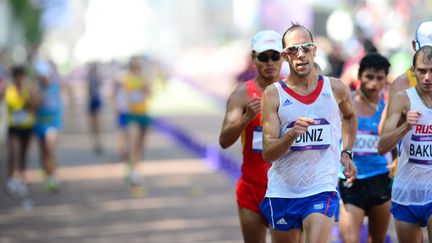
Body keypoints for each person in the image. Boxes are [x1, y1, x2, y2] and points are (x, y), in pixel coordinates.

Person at [259, 23, 358, 243]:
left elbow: (350, 117)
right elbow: (268, 152)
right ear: (285, 56)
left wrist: (347, 152)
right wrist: (291, 134)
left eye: (306, 47)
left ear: (315, 50)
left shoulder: (336, 88)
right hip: (283, 191)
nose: (301, 54)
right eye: (293, 50)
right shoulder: (273, 95)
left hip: (321, 187)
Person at [219, 30, 284, 243]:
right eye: (263, 57)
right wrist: (246, 118)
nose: (269, 62)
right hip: (252, 187)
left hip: (287, 189)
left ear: (283, 57)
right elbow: (224, 140)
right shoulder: (242, 94)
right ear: (254, 59)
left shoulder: (293, 90)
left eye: (275, 56)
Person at [377, 45, 432, 243]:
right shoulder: (403, 99)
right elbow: (381, 146)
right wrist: (405, 127)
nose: (427, 77)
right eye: (422, 71)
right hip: (406, 192)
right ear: (413, 71)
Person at [338, 53, 393, 243]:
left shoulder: (388, 109)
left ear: (386, 79)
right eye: (369, 76)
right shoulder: (345, 106)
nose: (374, 83)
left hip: (379, 179)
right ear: (359, 76)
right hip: (350, 181)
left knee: (377, 239)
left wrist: (395, 161)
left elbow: (393, 143)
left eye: (379, 78)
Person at [380, 21, 432, 177]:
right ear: (414, 45)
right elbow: (384, 134)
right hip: (410, 180)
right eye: (425, 49)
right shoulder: (403, 84)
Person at [118, 56, 153, 187]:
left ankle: (134, 167)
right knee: (133, 142)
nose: (138, 68)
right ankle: (133, 172)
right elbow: (123, 97)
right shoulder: (125, 79)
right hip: (131, 115)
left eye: (139, 65)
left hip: (143, 114)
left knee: (140, 145)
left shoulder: (144, 79)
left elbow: (149, 94)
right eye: (135, 65)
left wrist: (146, 87)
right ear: (131, 66)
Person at [4, 65, 38, 197]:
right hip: (14, 126)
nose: (19, 78)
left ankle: (23, 177)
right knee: (13, 152)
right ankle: (12, 179)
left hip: (27, 126)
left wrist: (29, 97)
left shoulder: (29, 89)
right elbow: (8, 101)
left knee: (23, 153)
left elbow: (34, 105)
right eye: (16, 76)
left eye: (21, 76)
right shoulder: (9, 89)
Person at [33, 60, 63, 193]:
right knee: (43, 152)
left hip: (53, 123)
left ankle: (53, 176)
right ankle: (47, 175)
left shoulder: (55, 85)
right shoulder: (35, 88)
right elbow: (33, 106)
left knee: (50, 148)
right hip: (40, 122)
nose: (42, 78)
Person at [86, 62, 104, 154]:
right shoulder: (91, 79)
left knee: (96, 124)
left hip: (95, 102)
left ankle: (97, 143)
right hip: (93, 102)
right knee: (94, 125)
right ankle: (96, 143)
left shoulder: (94, 79)